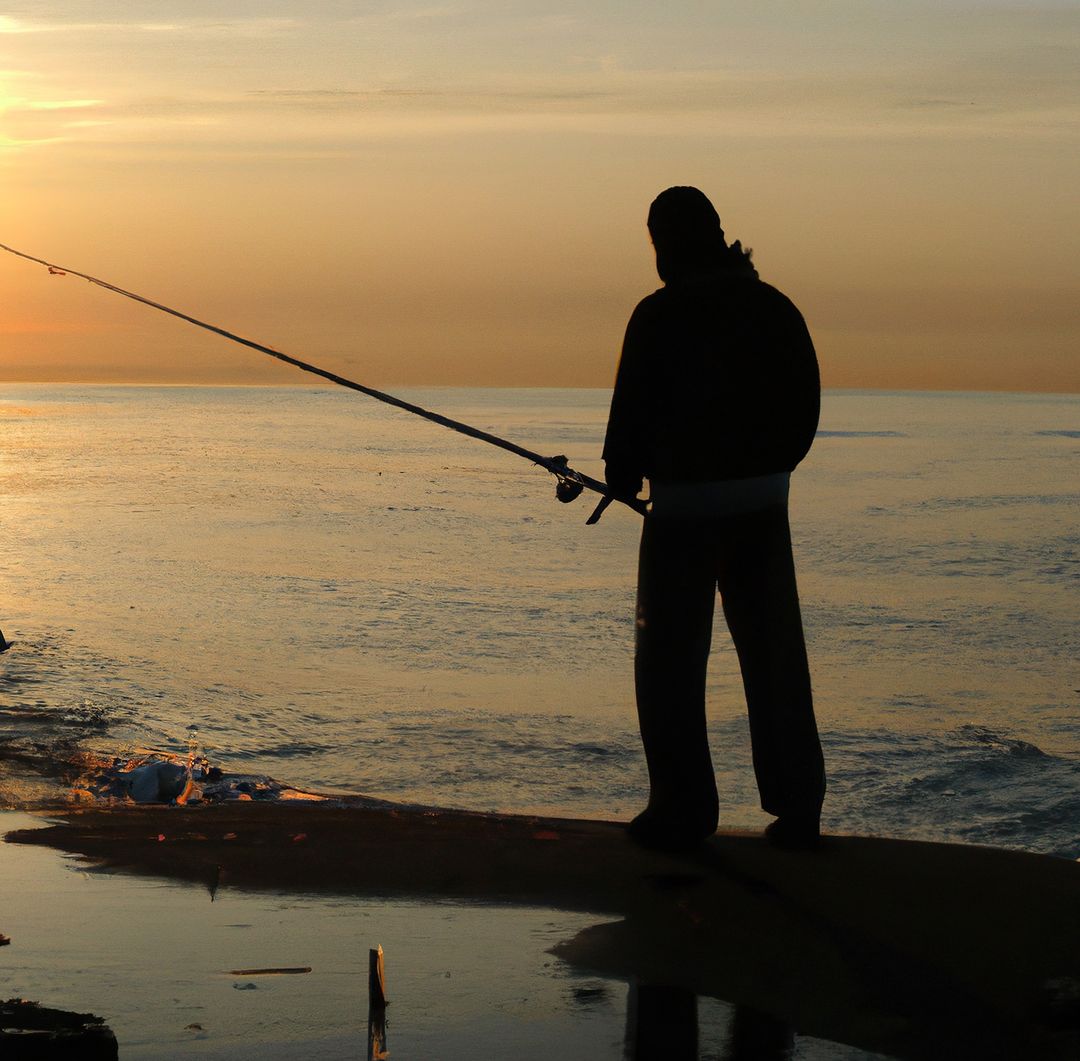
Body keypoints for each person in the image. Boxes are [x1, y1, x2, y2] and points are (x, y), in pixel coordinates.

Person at [603, 186, 825, 852]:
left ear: (668, 241)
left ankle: (682, 805)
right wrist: (771, 471)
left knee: (668, 662)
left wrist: (625, 473)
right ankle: (798, 805)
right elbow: (804, 405)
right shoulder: (774, 307)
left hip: (683, 513)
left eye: (657, 240)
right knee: (775, 657)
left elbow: (628, 425)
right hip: (764, 503)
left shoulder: (658, 315)